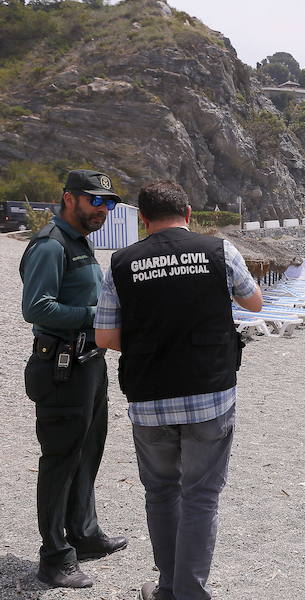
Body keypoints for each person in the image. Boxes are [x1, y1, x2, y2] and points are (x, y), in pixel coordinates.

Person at [94, 181, 262, 600]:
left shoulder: (120, 262)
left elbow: (104, 337)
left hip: (149, 398)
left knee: (161, 491)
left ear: (142, 220)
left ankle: (168, 587)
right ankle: (188, 592)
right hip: (209, 393)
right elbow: (254, 303)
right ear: (188, 213)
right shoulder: (219, 250)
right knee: (201, 495)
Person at [19, 169, 128, 589]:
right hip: (61, 367)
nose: (103, 209)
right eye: (95, 201)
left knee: (88, 452)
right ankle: (54, 556)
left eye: (110, 203)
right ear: (70, 199)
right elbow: (37, 308)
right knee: (61, 459)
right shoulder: (50, 244)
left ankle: (83, 534)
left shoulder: (79, 241)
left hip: (88, 362)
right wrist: (95, 317)